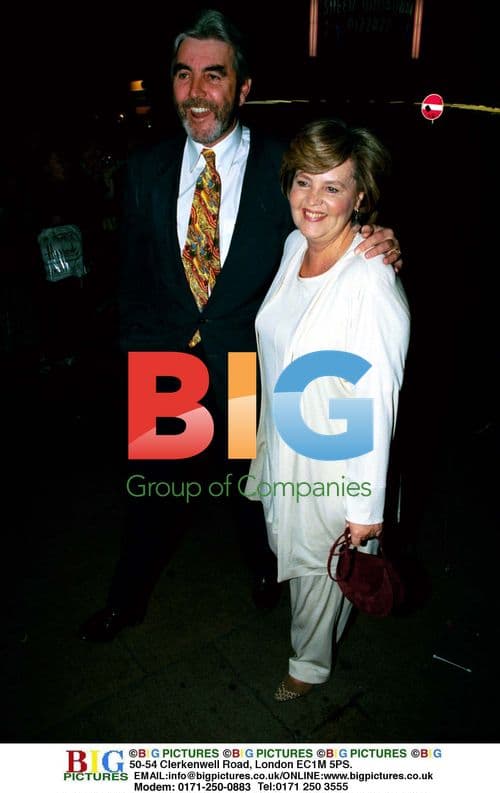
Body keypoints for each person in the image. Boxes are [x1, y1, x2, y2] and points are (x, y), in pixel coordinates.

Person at [79, 9, 403, 642]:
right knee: (151, 498)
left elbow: (327, 223)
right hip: (163, 363)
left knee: (247, 490)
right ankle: (126, 598)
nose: (197, 92)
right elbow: (134, 273)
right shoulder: (144, 168)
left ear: (243, 86)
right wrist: (137, 353)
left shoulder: (285, 168)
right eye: (183, 75)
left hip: (244, 366)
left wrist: (378, 237)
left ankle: (264, 572)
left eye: (213, 75)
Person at [245, 118, 410, 700]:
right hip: (283, 445)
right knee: (299, 560)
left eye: (332, 186)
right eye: (303, 181)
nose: (313, 200)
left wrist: (365, 509)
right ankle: (315, 639)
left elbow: (378, 398)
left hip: (332, 463)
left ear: (360, 195)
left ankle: (307, 668)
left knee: (319, 572)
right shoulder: (295, 247)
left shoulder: (371, 283)